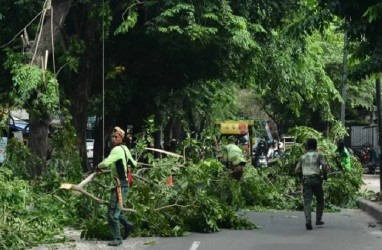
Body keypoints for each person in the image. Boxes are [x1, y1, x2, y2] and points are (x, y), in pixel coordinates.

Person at [96, 126, 137, 246]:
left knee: (113, 214)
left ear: (121, 138)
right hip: (122, 185)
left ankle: (117, 238)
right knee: (116, 210)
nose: (113, 139)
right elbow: (133, 163)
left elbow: (106, 162)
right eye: (112, 137)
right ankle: (128, 225)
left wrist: (98, 167)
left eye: (116, 137)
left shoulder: (117, 150)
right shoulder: (125, 149)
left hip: (120, 186)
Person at [295, 138, 328, 230]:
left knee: (307, 201)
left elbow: (296, 169)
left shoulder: (303, 157)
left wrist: (301, 177)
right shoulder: (319, 155)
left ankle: (308, 221)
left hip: (306, 180)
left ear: (307, 146)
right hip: (317, 179)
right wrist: (325, 176)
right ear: (316, 146)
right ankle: (318, 219)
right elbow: (324, 166)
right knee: (320, 199)